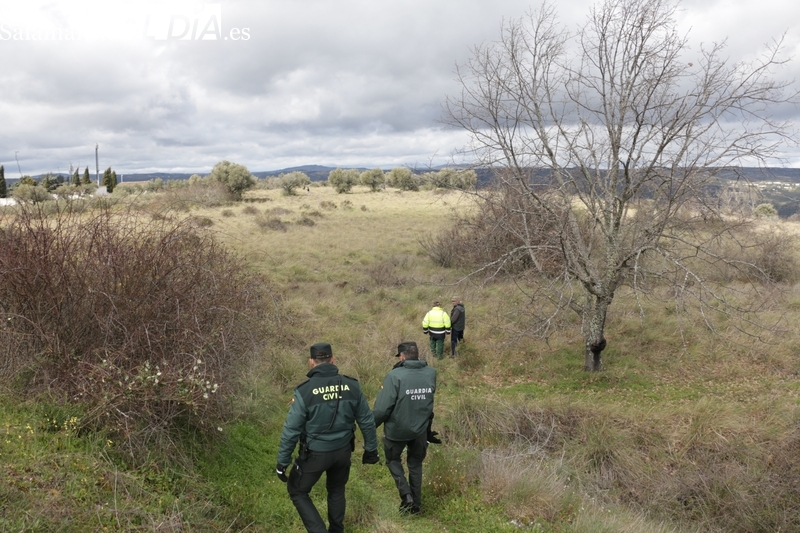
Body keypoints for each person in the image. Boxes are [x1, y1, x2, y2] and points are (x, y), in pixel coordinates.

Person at [277, 342, 380, 533]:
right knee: (336, 489)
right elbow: (366, 420)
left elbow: (291, 429)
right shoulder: (352, 385)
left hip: (314, 454)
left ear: (311, 362)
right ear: (332, 359)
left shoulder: (304, 391)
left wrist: (283, 462)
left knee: (297, 491)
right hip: (343, 452)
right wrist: (371, 450)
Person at [373, 341, 438, 514]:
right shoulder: (431, 373)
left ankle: (406, 495)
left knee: (393, 461)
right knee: (416, 464)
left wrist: (370, 426)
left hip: (397, 431)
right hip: (421, 430)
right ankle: (415, 506)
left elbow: (382, 408)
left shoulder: (395, 376)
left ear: (401, 357)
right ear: (417, 354)